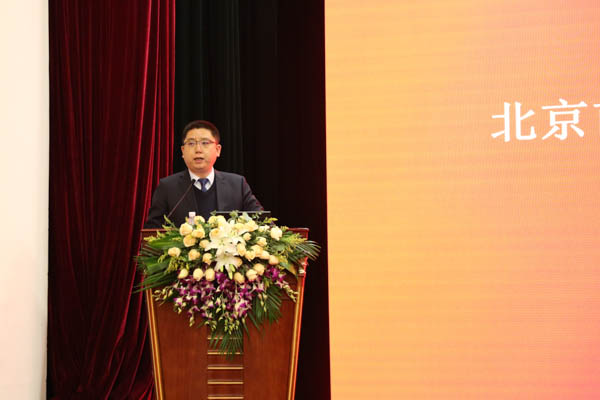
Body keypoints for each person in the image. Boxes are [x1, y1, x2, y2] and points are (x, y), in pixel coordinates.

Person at [144, 120, 263, 228]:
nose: (198, 149)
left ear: (218, 150)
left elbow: (261, 222)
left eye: (205, 143)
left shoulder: (237, 184)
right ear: (183, 151)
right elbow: (151, 232)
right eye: (191, 143)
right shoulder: (167, 187)